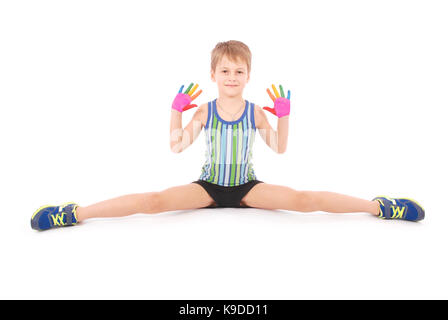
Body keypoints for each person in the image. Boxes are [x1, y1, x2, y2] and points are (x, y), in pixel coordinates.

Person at [30, 40, 425, 231]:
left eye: (239, 72)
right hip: (208, 187)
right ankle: (74, 213)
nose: (232, 78)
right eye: (225, 72)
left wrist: (284, 117)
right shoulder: (205, 110)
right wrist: (175, 111)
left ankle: (380, 206)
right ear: (214, 75)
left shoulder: (254, 112)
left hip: (247, 187)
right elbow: (176, 145)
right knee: (151, 202)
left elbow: (280, 148)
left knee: (306, 200)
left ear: (248, 76)